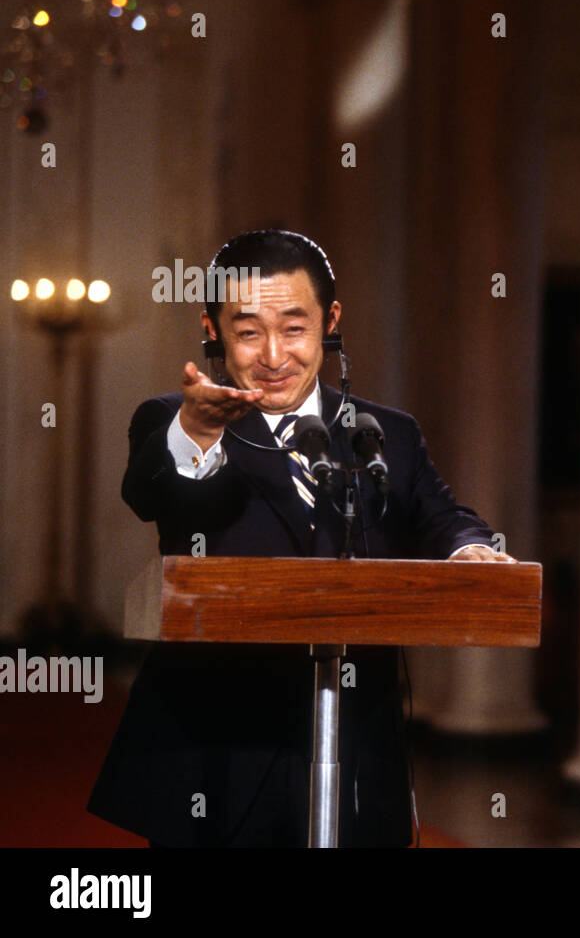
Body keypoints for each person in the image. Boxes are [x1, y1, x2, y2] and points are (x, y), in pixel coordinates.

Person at [89, 229, 515, 847]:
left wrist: (469, 548)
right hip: (219, 748)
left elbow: (439, 513)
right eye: (247, 330)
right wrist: (195, 434)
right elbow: (151, 495)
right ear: (211, 329)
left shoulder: (381, 430)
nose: (273, 354)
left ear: (330, 321)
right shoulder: (172, 418)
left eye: (294, 328)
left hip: (355, 741)